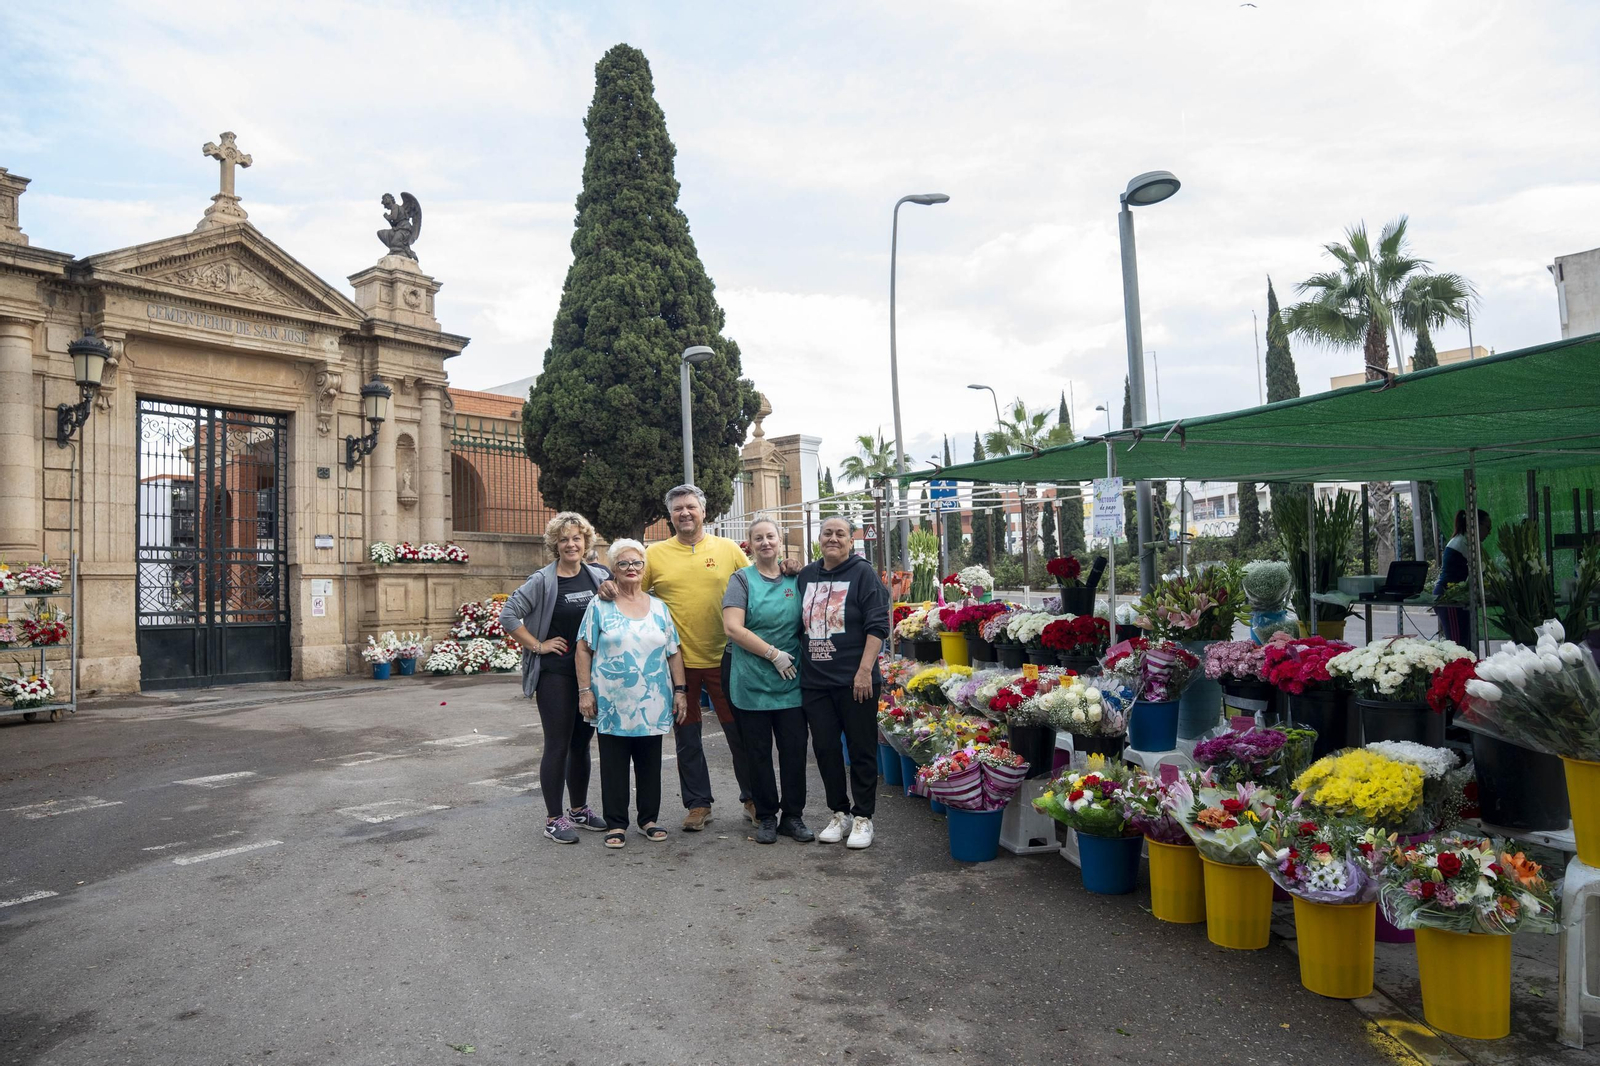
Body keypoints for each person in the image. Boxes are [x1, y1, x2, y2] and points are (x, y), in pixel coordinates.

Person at [633, 485, 759, 832]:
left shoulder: (729, 549)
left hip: (729, 658)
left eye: (691, 507)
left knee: (740, 734)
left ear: (704, 512)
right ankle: (698, 804)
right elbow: (633, 595)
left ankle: (752, 799)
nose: (684, 513)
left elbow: (757, 586)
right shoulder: (654, 555)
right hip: (678, 664)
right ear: (670, 516)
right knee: (687, 738)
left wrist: (788, 568)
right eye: (677, 509)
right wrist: (609, 587)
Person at [500, 512, 612, 844]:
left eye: (576, 538)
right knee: (558, 745)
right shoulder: (543, 580)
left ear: (586, 542)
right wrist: (538, 645)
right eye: (563, 539)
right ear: (555, 545)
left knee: (581, 745)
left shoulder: (598, 575)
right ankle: (553, 818)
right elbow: (508, 614)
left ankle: (579, 810)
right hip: (555, 675)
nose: (571, 544)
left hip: (588, 675)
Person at [575, 539, 689, 849]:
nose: (631, 569)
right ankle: (617, 823)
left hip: (652, 699)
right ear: (613, 569)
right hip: (612, 701)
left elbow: (673, 652)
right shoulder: (600, 605)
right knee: (613, 762)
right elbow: (583, 649)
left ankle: (648, 820)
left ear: (644, 568)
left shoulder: (659, 607)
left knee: (650, 760)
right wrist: (584, 691)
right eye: (623, 564)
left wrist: (681, 691)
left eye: (637, 563)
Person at [797, 515, 889, 850]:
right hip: (815, 683)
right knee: (825, 749)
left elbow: (878, 626)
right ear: (818, 539)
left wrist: (864, 671)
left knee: (861, 749)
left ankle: (864, 817)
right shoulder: (807, 575)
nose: (833, 538)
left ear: (851, 541)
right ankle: (840, 812)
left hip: (856, 681)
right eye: (827, 533)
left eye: (840, 534)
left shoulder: (863, 574)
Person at [722, 516, 814, 845]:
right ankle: (765, 817)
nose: (765, 543)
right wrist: (774, 655)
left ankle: (793, 816)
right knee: (757, 752)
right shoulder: (741, 580)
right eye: (758, 538)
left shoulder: (795, 577)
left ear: (780, 539)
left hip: (791, 680)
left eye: (770, 536)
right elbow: (733, 628)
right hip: (753, 681)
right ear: (750, 544)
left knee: (793, 750)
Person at [1434, 508, 1491, 645]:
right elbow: (1483, 570)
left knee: (1466, 645)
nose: (1489, 533)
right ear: (1476, 525)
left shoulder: (1468, 542)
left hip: (1459, 599)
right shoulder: (1462, 543)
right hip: (1450, 599)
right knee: (1458, 646)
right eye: (1488, 528)